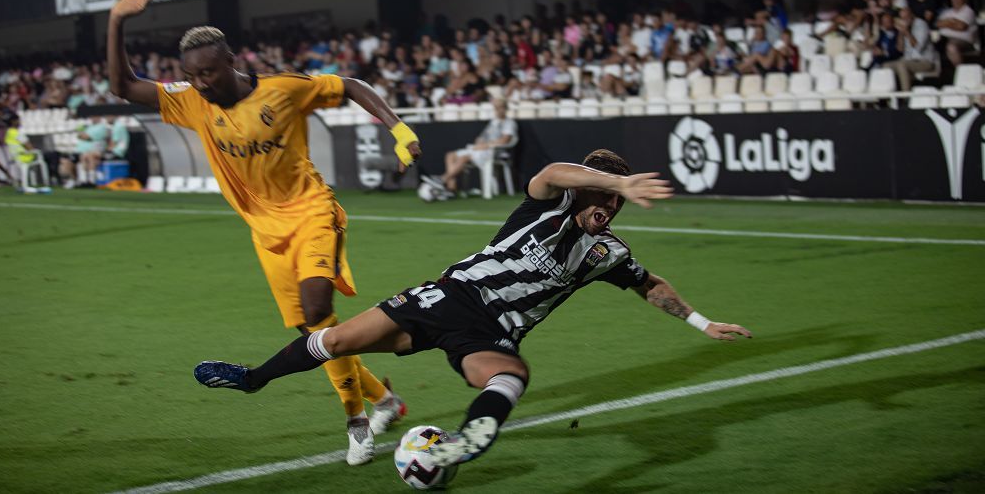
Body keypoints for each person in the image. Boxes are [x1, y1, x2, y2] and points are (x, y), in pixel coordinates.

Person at [194, 150, 751, 473]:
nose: (607, 209)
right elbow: (558, 170)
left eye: (616, 204)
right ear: (585, 193)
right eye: (601, 199)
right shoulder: (547, 200)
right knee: (336, 340)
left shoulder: (607, 254)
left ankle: (468, 440)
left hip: (490, 331)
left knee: (512, 374)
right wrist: (612, 180)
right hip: (450, 296)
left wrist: (702, 322)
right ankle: (253, 378)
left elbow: (649, 285)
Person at [106, 0, 421, 465]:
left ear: (230, 59)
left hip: (314, 210)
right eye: (192, 75)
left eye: (209, 71)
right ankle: (385, 400)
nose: (202, 82)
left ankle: (356, 419)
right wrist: (116, 21)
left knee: (318, 308)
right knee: (309, 334)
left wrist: (398, 129)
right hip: (266, 231)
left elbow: (351, 85)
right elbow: (123, 86)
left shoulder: (283, 90)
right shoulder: (191, 101)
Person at [426, 99, 517, 196]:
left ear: (505, 109)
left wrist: (484, 145)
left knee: (464, 157)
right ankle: (451, 188)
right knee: (450, 155)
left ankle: (442, 179)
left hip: (495, 152)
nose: (498, 110)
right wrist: (479, 142)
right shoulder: (493, 122)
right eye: (496, 108)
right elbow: (482, 137)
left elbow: (504, 140)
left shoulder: (509, 123)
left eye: (501, 108)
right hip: (481, 150)